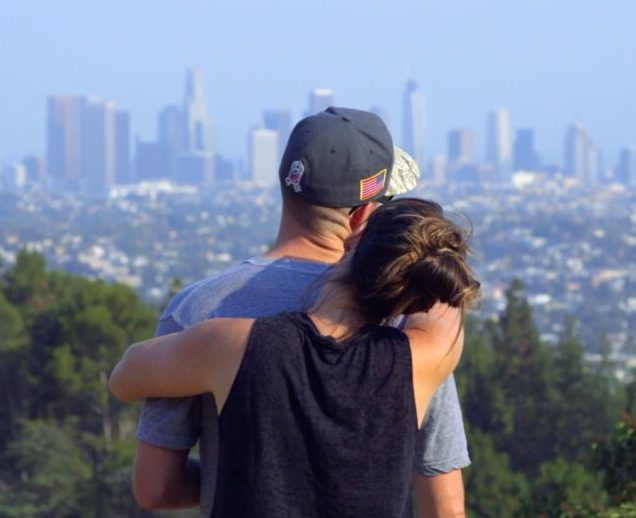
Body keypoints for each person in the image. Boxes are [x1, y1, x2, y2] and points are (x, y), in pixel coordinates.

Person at [134, 107, 472, 517]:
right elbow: (445, 507)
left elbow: (155, 488)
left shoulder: (197, 313)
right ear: (365, 215)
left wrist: (247, 476)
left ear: (285, 185)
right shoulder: (408, 311)